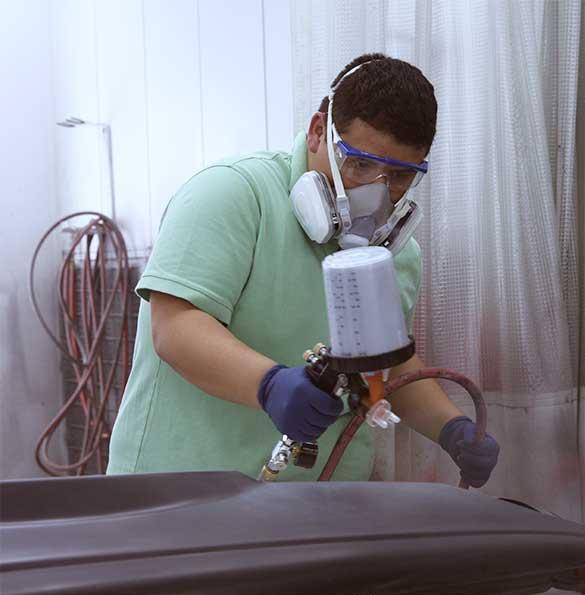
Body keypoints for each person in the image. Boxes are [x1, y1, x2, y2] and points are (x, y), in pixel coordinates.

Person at [107, 53, 499, 486]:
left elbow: (386, 368)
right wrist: (270, 385)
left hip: (317, 504)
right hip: (180, 490)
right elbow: (175, 327)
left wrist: (453, 429)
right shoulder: (233, 193)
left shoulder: (395, 255)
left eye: (400, 176)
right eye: (361, 165)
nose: (377, 193)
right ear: (318, 133)